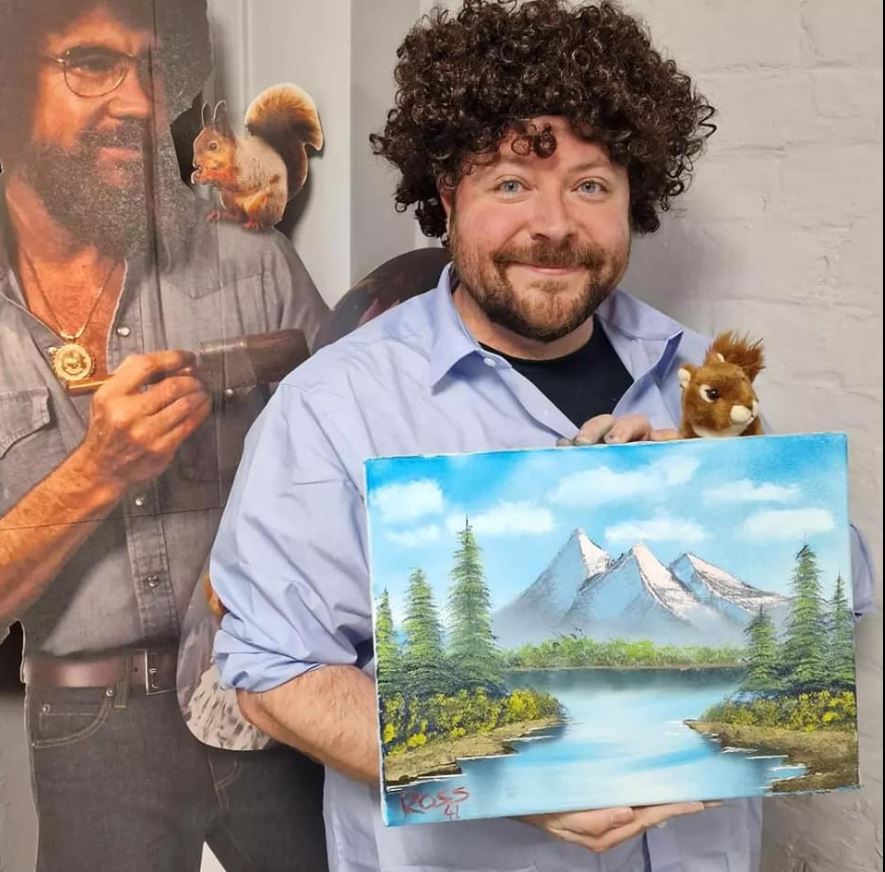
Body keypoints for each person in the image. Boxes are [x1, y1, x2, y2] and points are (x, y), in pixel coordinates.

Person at [209, 2, 876, 871]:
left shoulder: (703, 378)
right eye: (511, 183)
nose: (554, 224)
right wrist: (507, 773)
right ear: (448, 197)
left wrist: (720, 489)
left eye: (590, 184)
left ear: (634, 196)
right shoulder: (334, 405)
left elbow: (837, 597)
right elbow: (269, 673)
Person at [0, 0, 330, 869]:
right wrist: (98, 472)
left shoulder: (252, 264)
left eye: (151, 70)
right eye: (92, 63)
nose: (142, 103)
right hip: (88, 726)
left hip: (275, 689)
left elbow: (367, 476)